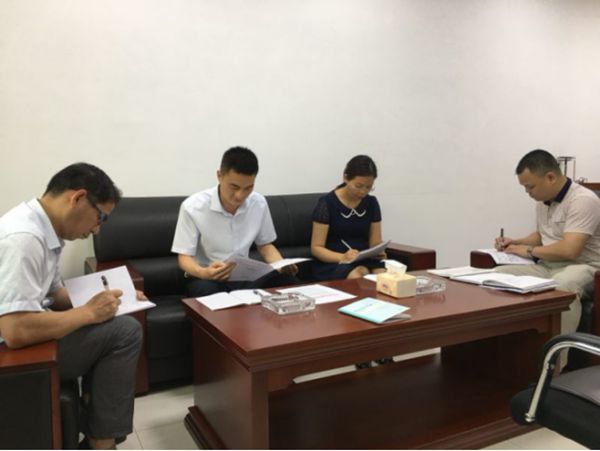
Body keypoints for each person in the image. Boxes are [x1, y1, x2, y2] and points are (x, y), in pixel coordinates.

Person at [0, 163, 143, 450]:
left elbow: (55, 294)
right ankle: (102, 443)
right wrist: (88, 313)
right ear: (77, 198)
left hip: (22, 334)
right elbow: (15, 329)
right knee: (126, 332)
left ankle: (97, 430)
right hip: (11, 351)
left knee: (114, 323)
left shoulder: (43, 228)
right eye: (100, 217)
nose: (97, 229)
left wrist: (112, 297)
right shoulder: (24, 239)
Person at [495, 149, 600, 335]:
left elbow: (570, 250)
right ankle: (511, 346)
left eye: (530, 186)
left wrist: (528, 251)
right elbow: (542, 235)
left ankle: (557, 352)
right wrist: (515, 242)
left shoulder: (583, 200)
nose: (527, 192)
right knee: (497, 276)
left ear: (550, 177)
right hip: (549, 265)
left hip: (585, 266)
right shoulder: (543, 201)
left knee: (562, 285)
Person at [171, 146, 300, 297]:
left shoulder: (258, 203)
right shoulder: (193, 207)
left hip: (245, 276)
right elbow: (184, 256)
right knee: (207, 292)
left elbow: (265, 245)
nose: (240, 195)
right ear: (219, 176)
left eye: (248, 188)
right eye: (234, 187)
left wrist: (280, 264)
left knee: (289, 282)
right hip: (208, 278)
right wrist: (203, 272)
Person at [311, 155, 386, 281]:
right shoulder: (326, 203)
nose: (363, 192)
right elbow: (316, 248)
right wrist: (343, 257)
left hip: (364, 259)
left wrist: (379, 251)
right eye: (358, 186)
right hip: (334, 262)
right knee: (360, 275)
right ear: (345, 177)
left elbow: (375, 243)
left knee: (385, 278)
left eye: (368, 187)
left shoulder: (371, 203)